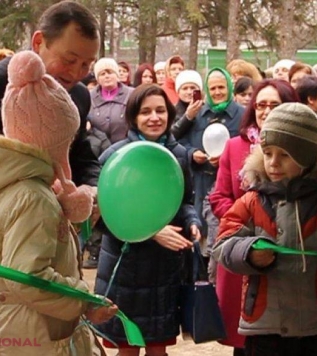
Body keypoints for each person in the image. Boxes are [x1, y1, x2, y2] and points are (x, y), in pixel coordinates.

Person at [0, 2, 101, 352]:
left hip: (39, 250)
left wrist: (90, 191)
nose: (76, 73)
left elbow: (83, 156)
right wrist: (37, 195)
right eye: (69, 59)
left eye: (87, 64)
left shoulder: (76, 97)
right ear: (39, 42)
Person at [0, 50, 117, 356]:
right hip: (36, 340)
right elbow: (30, 278)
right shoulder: (32, 198)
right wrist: (85, 300)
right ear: (53, 141)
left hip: (7, 332)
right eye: (66, 140)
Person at [213, 102, 317, 356]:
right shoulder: (252, 201)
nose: (273, 163)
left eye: (285, 155)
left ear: (307, 156)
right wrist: (249, 252)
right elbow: (223, 243)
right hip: (264, 325)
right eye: (268, 153)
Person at [95, 84, 201, 356]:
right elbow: (99, 215)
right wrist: (151, 231)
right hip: (125, 269)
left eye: (160, 110)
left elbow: (185, 201)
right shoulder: (115, 157)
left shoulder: (179, 156)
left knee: (158, 349)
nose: (154, 117)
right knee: (127, 349)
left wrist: (193, 222)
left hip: (164, 271)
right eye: (145, 112)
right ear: (133, 117)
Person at [209, 79, 299, 356]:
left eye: (275, 105)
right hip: (244, 251)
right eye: (261, 105)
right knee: (245, 341)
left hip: (288, 251)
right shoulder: (235, 147)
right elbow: (219, 197)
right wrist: (246, 222)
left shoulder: (302, 149)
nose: (266, 111)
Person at [177, 68, 244, 239]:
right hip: (200, 183)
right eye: (213, 88)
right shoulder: (197, 113)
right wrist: (192, 153)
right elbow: (179, 142)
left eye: (221, 87)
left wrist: (227, 158)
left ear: (229, 87)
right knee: (201, 234)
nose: (217, 92)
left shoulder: (242, 114)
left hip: (230, 184)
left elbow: (248, 145)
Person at [88, 57, 134, 144]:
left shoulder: (131, 94)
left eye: (110, 72)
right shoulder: (89, 97)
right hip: (98, 148)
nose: (107, 76)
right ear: (97, 79)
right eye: (102, 74)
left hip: (125, 147)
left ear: (117, 75)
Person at [170, 69, 203, 139]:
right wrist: (187, 117)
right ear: (178, 92)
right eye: (185, 88)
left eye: (193, 88)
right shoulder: (171, 111)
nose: (189, 92)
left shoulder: (206, 109)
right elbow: (171, 135)